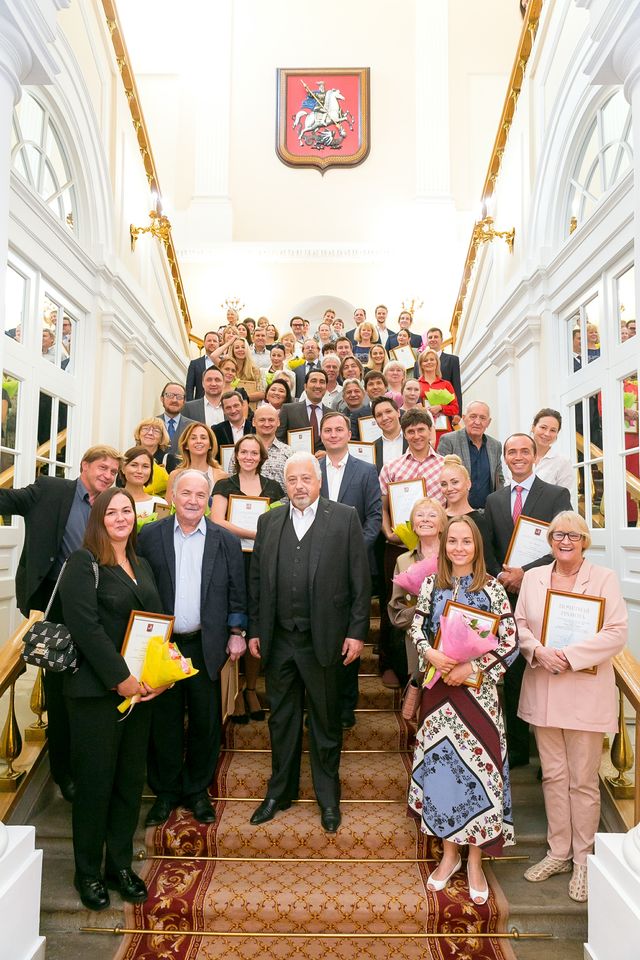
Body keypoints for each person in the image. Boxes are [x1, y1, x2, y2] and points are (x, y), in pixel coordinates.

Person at [248, 453, 371, 833]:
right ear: (285, 484)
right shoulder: (268, 521)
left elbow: (360, 580)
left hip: (326, 640)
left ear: (319, 482)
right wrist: (255, 630)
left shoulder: (344, 517)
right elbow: (256, 581)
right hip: (279, 639)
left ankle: (328, 797)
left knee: (325, 720)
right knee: (281, 720)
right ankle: (279, 792)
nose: (299, 485)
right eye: (292, 480)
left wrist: (356, 632)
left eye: (306, 478)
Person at [59, 487, 167, 911]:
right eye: (112, 512)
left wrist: (160, 676)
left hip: (140, 695)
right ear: (98, 519)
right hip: (96, 695)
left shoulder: (141, 563)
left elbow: (156, 623)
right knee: (95, 786)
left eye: (128, 511)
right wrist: (121, 679)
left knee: (128, 783)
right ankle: (87, 871)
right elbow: (85, 628)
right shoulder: (82, 562)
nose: (121, 518)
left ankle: (118, 866)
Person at [515, 511, 627, 902]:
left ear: (584, 541)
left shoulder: (604, 578)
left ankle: (583, 859)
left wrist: (569, 656)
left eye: (574, 535)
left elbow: (616, 632)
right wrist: (538, 651)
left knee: (582, 781)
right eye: (558, 535)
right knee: (553, 776)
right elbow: (520, 624)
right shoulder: (533, 578)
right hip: (545, 686)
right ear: (549, 540)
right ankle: (558, 852)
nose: (565, 541)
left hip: (584, 690)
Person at [0, 445, 121, 803]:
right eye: (102, 467)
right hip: (57, 609)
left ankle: (94, 769)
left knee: (94, 689)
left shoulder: (112, 506)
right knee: (59, 692)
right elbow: (7, 500)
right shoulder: (50, 490)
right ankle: (64, 773)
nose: (107, 475)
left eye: (113, 471)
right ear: (84, 466)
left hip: (100, 608)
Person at [408, 516, 518, 902]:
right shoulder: (430, 585)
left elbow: (509, 641)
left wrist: (472, 668)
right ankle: (450, 854)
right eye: (452, 541)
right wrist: (432, 654)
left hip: (479, 696)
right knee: (444, 773)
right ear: (444, 545)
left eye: (465, 541)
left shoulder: (492, 588)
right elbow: (416, 629)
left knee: (480, 774)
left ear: (476, 546)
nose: (458, 547)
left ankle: (475, 860)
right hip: (439, 694)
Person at [138, 470, 247, 826]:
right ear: (173, 495)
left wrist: (237, 631)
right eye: (186, 493)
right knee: (163, 722)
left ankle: (198, 790)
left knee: (205, 721)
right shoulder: (149, 536)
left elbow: (237, 590)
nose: (193, 501)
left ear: (209, 501)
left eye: (201, 495)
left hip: (206, 644)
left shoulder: (224, 540)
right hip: (162, 646)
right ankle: (166, 791)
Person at [484, 433, 572, 766]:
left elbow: (564, 542)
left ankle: (551, 755)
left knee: (546, 671)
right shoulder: (494, 500)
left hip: (543, 593)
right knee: (514, 671)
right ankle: (519, 750)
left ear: (535, 456)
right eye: (511, 452)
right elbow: (489, 548)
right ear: (504, 458)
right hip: (505, 596)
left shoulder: (555, 495)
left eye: (524, 451)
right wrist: (502, 575)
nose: (518, 456)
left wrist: (525, 573)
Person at [212, 435, 284, 722]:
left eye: (255, 453)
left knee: (257, 622)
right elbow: (217, 521)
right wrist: (256, 533)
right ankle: (234, 690)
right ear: (237, 455)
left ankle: (251, 688)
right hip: (230, 560)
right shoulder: (224, 485)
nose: (249, 457)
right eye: (244, 452)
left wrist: (261, 535)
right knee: (233, 622)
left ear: (262, 457)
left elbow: (280, 523)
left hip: (262, 562)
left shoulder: (274, 488)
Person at [319, 412, 382, 727]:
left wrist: (353, 550)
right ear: (321, 435)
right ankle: (319, 704)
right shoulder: (312, 469)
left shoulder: (366, 470)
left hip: (354, 566)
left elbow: (374, 517)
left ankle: (345, 706)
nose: (333, 434)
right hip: (316, 567)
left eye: (338, 429)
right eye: (327, 430)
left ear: (348, 434)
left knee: (350, 636)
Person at [378, 408, 445, 688]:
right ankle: (392, 664)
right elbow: (383, 506)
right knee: (396, 603)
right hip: (399, 546)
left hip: (436, 547)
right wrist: (387, 531)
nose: (416, 435)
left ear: (430, 431)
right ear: (404, 434)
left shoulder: (444, 465)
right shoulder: (392, 467)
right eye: (411, 431)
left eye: (421, 430)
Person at [388, 497, 447, 678]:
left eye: (432, 515)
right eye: (420, 515)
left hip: (450, 641)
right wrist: (422, 608)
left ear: (442, 525)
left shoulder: (453, 557)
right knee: (418, 690)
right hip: (415, 642)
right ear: (413, 525)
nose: (425, 519)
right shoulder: (403, 561)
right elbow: (396, 613)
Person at [437, 401, 504, 508]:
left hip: (488, 511)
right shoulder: (449, 441)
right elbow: (441, 477)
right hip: (458, 511)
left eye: (482, 418)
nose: (477, 422)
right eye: (473, 416)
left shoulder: (495, 445)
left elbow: (499, 480)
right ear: (464, 418)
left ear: (488, 422)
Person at [439, 454, 499, 574]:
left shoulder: (480, 521)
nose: (449, 488)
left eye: (455, 482)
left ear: (468, 484)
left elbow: (488, 562)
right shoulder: (438, 519)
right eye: (444, 484)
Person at [232, 404, 292, 488]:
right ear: (253, 422)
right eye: (262, 420)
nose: (266, 424)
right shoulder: (241, 451)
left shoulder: (289, 453)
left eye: (271, 420)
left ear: (278, 422)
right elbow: (231, 481)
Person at [166, 422, 227, 503]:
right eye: (193, 438)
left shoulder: (221, 476)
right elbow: (168, 506)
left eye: (203, 438)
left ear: (210, 445)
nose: (198, 441)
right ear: (186, 445)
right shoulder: (175, 475)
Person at [276, 369, 330, 452]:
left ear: (326, 388)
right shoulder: (288, 410)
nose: (318, 385)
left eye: (322, 382)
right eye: (314, 381)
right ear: (305, 386)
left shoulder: (332, 414)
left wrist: (327, 453)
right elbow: (278, 440)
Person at [417, 350, 459, 446]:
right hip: (423, 430)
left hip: (444, 430)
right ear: (421, 365)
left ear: (437, 363)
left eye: (432, 359)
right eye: (425, 360)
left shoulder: (446, 384)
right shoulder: (416, 384)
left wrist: (440, 407)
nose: (429, 362)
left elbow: (455, 408)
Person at [528, 407, 573, 489]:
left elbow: (566, 494)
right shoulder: (519, 456)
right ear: (533, 427)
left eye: (553, 430)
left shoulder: (562, 462)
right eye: (543, 427)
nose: (547, 434)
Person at [424, 327, 462, 416]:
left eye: (436, 337)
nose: (433, 339)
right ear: (427, 341)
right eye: (430, 337)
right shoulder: (419, 362)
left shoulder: (452, 360)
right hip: (425, 410)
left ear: (442, 339)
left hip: (446, 410)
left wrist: (458, 414)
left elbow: (456, 387)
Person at [120, 446, 167, 519]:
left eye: (145, 466)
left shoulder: (161, 504)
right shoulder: (111, 500)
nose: (139, 471)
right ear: (123, 468)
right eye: (134, 465)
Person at [155, 383, 196, 467]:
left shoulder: (193, 427)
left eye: (179, 397)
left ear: (184, 401)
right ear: (162, 398)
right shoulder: (151, 425)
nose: (174, 400)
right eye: (170, 395)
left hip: (185, 472)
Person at [134, 418, 171, 496]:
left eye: (156, 431)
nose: (150, 433)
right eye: (146, 429)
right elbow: (121, 484)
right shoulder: (129, 457)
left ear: (161, 438)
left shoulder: (169, 459)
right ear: (139, 433)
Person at [371, 397, 406, 475]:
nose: (384, 418)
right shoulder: (373, 448)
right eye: (379, 415)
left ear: (398, 412)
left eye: (388, 411)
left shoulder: (414, 439)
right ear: (375, 420)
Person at [185, 331, 220, 401]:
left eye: (214, 341)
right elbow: (189, 388)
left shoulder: (224, 363)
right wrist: (190, 405)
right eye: (209, 341)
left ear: (219, 344)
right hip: (200, 403)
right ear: (204, 343)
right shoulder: (194, 364)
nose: (212, 343)